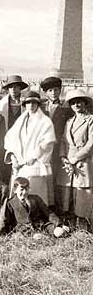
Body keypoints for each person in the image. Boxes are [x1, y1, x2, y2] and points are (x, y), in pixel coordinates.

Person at [4, 91, 56, 206]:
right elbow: (10, 139)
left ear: (38, 105)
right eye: (28, 103)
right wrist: (13, 157)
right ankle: (18, 217)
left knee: (34, 194)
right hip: (20, 164)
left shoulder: (45, 121)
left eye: (34, 103)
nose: (31, 106)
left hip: (35, 163)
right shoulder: (20, 121)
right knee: (18, 193)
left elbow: (48, 142)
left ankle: (36, 217)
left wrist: (34, 156)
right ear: (25, 105)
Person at [58, 89, 93, 229]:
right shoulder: (69, 121)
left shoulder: (90, 120)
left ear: (85, 103)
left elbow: (91, 145)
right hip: (68, 164)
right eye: (73, 102)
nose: (76, 105)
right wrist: (63, 158)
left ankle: (84, 228)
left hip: (83, 163)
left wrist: (74, 159)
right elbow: (63, 141)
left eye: (79, 101)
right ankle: (70, 225)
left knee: (83, 195)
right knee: (67, 195)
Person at [41, 76, 74, 216]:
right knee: (44, 178)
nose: (53, 93)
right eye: (50, 90)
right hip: (43, 150)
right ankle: (44, 208)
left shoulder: (66, 109)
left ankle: (60, 210)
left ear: (60, 91)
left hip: (59, 150)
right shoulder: (40, 107)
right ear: (45, 93)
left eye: (56, 89)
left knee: (58, 180)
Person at [0, 177, 68, 238]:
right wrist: (1, 233)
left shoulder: (36, 198)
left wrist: (60, 224)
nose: (24, 192)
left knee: (60, 232)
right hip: (24, 231)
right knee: (34, 238)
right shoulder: (10, 203)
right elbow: (5, 220)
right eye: (21, 189)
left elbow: (48, 212)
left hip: (41, 226)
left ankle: (46, 234)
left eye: (26, 189)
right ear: (15, 190)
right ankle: (39, 237)